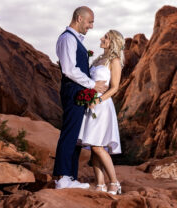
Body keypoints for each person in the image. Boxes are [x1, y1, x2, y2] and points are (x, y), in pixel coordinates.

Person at [53, 6, 108, 189]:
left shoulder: (74, 39)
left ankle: (70, 177)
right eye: (90, 21)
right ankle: (62, 177)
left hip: (78, 90)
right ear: (79, 18)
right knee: (70, 132)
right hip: (73, 90)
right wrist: (93, 85)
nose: (91, 26)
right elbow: (69, 69)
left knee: (76, 135)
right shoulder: (68, 38)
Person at [78, 30, 125, 195]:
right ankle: (100, 184)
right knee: (93, 145)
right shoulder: (98, 59)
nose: (101, 38)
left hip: (102, 104)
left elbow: (115, 87)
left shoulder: (115, 61)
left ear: (112, 42)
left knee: (98, 146)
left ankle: (114, 182)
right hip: (90, 104)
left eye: (105, 37)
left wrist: (98, 100)